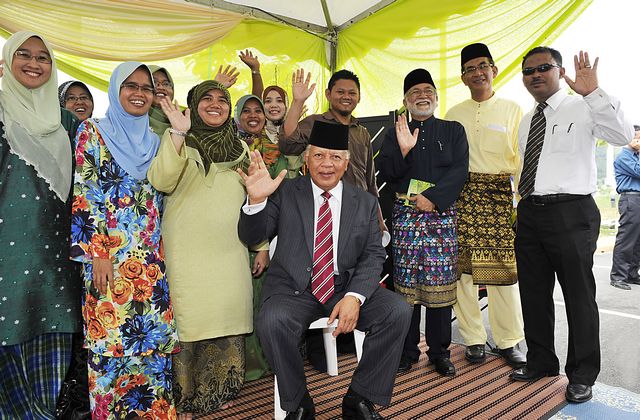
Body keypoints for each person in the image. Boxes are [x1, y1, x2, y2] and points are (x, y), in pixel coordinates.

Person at [238, 121, 412, 420]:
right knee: (273, 320)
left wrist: (355, 297)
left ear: (346, 162)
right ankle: (297, 402)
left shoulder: (365, 202)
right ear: (307, 159)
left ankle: (359, 399)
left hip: (344, 287)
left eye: (335, 157)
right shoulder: (286, 192)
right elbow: (252, 236)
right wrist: (256, 200)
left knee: (397, 311)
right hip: (293, 288)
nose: (327, 164)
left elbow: (374, 254)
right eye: (318, 155)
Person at [509, 47, 634, 404]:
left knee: (578, 296)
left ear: (560, 71)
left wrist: (593, 92)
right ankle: (541, 361)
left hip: (571, 213)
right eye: (528, 70)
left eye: (543, 68)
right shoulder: (527, 119)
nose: (535, 75)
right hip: (530, 212)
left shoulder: (583, 107)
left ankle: (582, 374)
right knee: (533, 293)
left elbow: (622, 134)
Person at [70, 61, 179, 417]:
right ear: (115, 90)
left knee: (152, 350)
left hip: (150, 263)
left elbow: (162, 197)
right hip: (109, 261)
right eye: (130, 86)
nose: (139, 93)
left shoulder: (156, 141)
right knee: (110, 347)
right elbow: (86, 191)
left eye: (146, 88)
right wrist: (98, 253)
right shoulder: (93, 132)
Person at [147, 80, 252, 418]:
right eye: (206, 98)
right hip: (186, 249)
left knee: (226, 316)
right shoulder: (179, 140)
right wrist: (178, 133)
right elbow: (161, 180)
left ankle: (219, 391)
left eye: (223, 99)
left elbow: (254, 198)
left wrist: (262, 246)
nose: (215, 104)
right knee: (189, 321)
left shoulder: (241, 148)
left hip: (231, 249)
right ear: (193, 105)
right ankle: (185, 399)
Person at [0, 30, 82, 419]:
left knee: (52, 344)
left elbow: (88, 187)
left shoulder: (68, 122)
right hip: (7, 256)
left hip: (56, 259)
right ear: (7, 61)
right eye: (24, 55)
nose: (34, 63)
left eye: (43, 57)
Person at [378, 68, 469, 377]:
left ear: (437, 97)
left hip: (440, 216)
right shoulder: (394, 132)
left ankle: (440, 353)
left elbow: (460, 170)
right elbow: (387, 173)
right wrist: (403, 150)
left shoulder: (453, 130)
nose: (422, 96)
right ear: (405, 100)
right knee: (405, 287)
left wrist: (434, 198)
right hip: (405, 216)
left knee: (439, 285)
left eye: (428, 90)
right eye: (415, 92)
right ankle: (406, 351)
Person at [445, 43, 526, 367]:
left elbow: (521, 160)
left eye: (483, 66)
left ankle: (509, 340)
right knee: (462, 274)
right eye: (470, 69)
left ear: (493, 70)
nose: (477, 73)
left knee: (501, 273)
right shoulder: (453, 114)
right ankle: (473, 339)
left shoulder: (512, 109)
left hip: (497, 198)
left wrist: (520, 201)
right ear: (463, 77)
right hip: (462, 196)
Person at [610, 126, 640, 290]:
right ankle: (618, 276)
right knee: (627, 238)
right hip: (631, 199)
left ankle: (632, 274)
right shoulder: (623, 157)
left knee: (637, 240)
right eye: (637, 138)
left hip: (637, 199)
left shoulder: (636, 156)